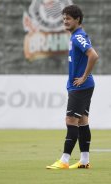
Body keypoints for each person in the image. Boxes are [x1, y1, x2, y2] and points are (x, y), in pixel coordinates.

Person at [46, 4, 99, 169]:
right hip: (80, 86)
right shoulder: (75, 36)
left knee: (71, 120)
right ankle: (84, 161)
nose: (65, 21)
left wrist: (83, 77)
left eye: (68, 18)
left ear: (77, 19)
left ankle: (64, 160)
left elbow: (94, 55)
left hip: (80, 87)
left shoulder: (78, 36)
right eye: (63, 19)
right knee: (83, 121)